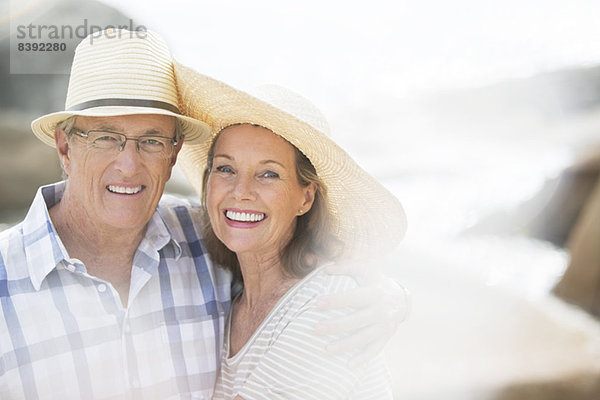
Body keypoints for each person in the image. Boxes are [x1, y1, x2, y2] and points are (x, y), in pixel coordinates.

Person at [0, 29, 407, 399]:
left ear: (175, 154)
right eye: (106, 138)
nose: (128, 166)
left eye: (152, 141)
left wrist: (389, 296)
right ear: (65, 148)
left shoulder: (206, 238)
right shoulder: (5, 277)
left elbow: (299, 273)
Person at [174, 64, 407, 398]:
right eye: (226, 168)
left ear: (305, 197)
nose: (241, 191)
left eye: (268, 174)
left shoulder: (329, 305)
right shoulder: (231, 297)